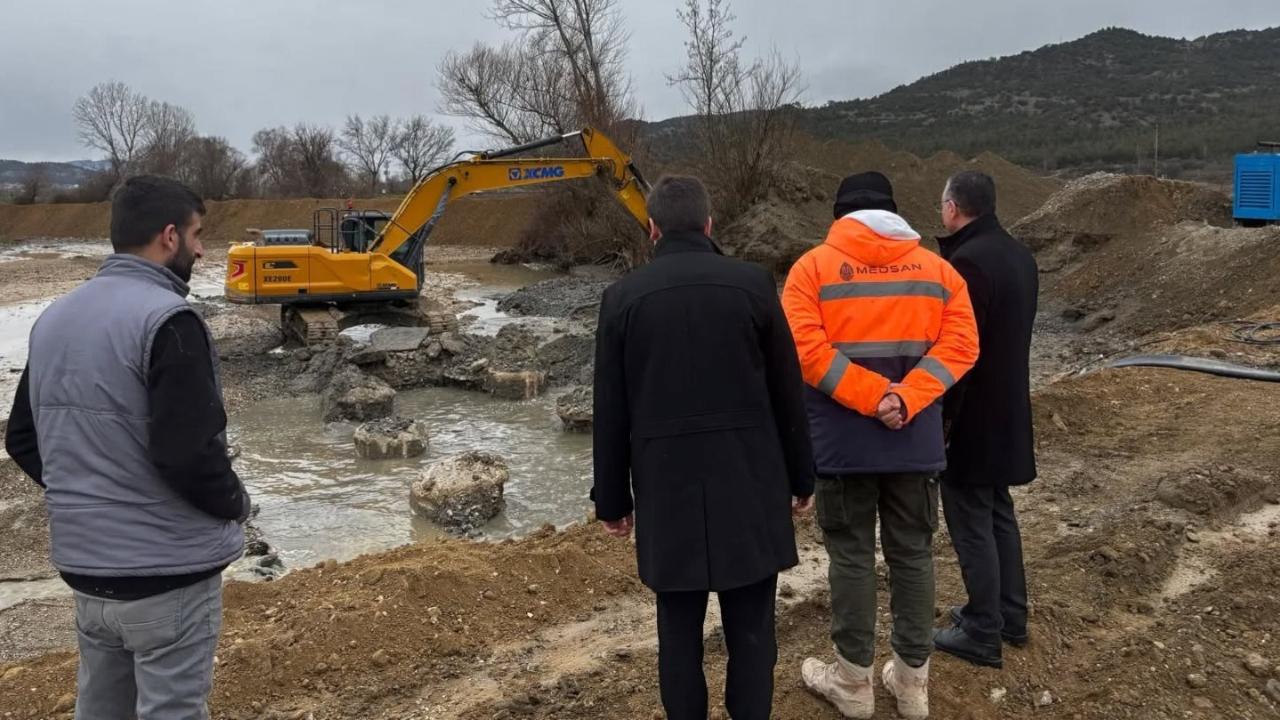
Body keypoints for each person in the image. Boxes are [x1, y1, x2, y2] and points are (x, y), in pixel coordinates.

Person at [4, 175, 250, 719]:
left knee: (101, 709)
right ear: (169, 237)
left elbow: (22, 437)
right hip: (166, 573)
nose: (203, 248)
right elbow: (188, 454)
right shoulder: (170, 321)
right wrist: (237, 505)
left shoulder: (53, 319)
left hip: (89, 573)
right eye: (197, 234)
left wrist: (90, 493)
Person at [591, 174, 815, 720]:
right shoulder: (754, 285)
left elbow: (610, 412)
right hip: (750, 484)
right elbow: (788, 390)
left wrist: (613, 501)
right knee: (754, 634)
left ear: (652, 229)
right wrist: (801, 477)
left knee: (678, 633)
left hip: (667, 492)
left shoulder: (621, 299)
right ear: (711, 224)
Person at [783, 171, 978, 720]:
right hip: (913, 442)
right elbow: (963, 344)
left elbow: (807, 352)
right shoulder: (940, 272)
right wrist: (906, 398)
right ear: (895, 213)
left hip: (842, 448)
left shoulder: (811, 270)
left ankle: (853, 682)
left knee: (850, 557)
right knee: (913, 554)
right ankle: (912, 685)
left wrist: (874, 399)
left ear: (838, 215)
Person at [932, 171, 1039, 669]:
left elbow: (959, 355)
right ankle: (1009, 615)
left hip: (974, 419)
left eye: (942, 204)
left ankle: (981, 630)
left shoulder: (969, 264)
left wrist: (942, 422)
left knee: (971, 519)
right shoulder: (1018, 255)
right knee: (998, 512)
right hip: (1009, 410)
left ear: (954, 207)